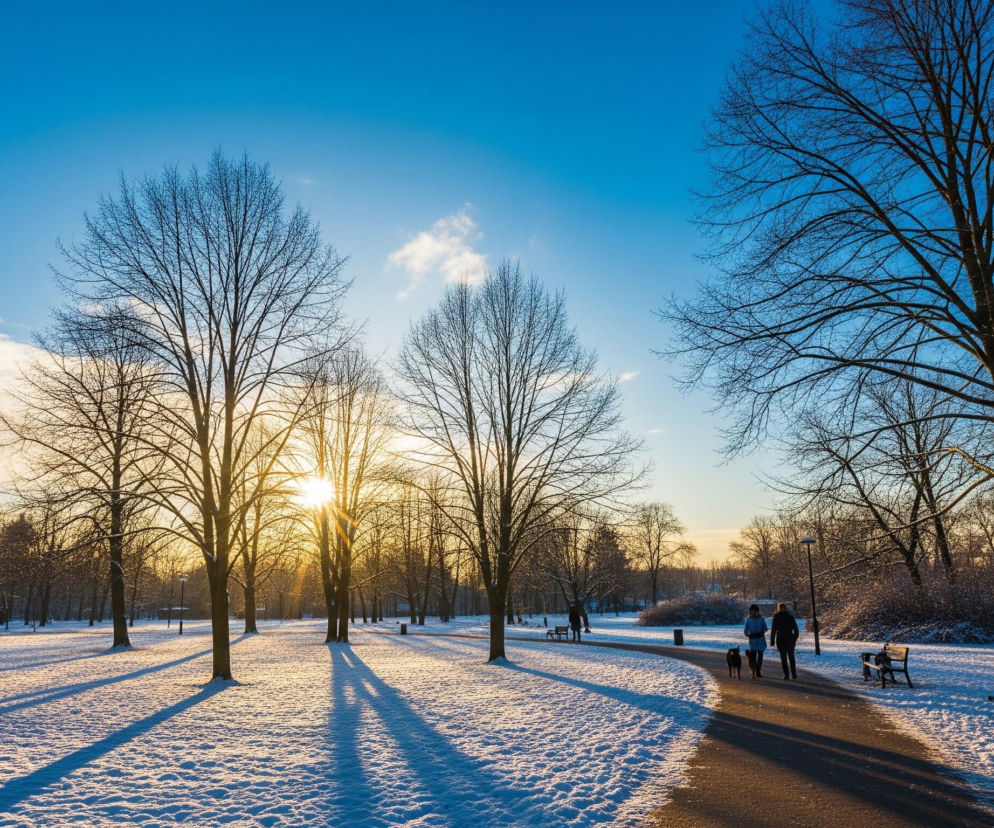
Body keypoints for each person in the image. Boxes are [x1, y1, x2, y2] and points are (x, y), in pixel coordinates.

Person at [770, 602, 800, 680]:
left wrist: (772, 640)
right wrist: (794, 638)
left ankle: (787, 675)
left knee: (784, 658)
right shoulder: (790, 617)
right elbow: (796, 630)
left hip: (781, 639)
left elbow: (773, 629)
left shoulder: (776, 617)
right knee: (791, 657)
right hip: (789, 638)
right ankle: (793, 674)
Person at [743, 604, 768, 678]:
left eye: (755, 611)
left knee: (760, 658)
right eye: (752, 611)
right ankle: (753, 671)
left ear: (758, 611)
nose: (754, 613)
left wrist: (761, 632)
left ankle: (758, 671)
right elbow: (745, 629)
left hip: (760, 640)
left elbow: (766, 628)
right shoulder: (748, 619)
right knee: (753, 658)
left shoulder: (761, 619)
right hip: (753, 641)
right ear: (750, 611)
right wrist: (747, 634)